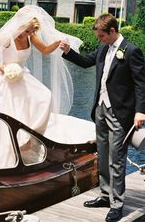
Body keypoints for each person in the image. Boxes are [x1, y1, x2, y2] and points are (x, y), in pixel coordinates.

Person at [0, 5, 83, 168]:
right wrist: (0, 66)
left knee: (45, 96)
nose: (27, 34)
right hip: (6, 78)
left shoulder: (30, 36)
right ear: (19, 25)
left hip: (22, 75)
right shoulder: (7, 37)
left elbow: (45, 50)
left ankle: (30, 135)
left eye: (30, 31)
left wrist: (56, 43)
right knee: (13, 112)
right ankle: (11, 147)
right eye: (26, 30)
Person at [60, 13, 145, 222]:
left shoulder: (131, 51)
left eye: (101, 36)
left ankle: (117, 204)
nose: (99, 40)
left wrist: (140, 111)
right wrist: (68, 51)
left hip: (120, 113)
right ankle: (105, 196)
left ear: (112, 31)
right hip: (100, 110)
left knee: (116, 159)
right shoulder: (104, 48)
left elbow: (141, 84)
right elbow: (86, 61)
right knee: (103, 155)